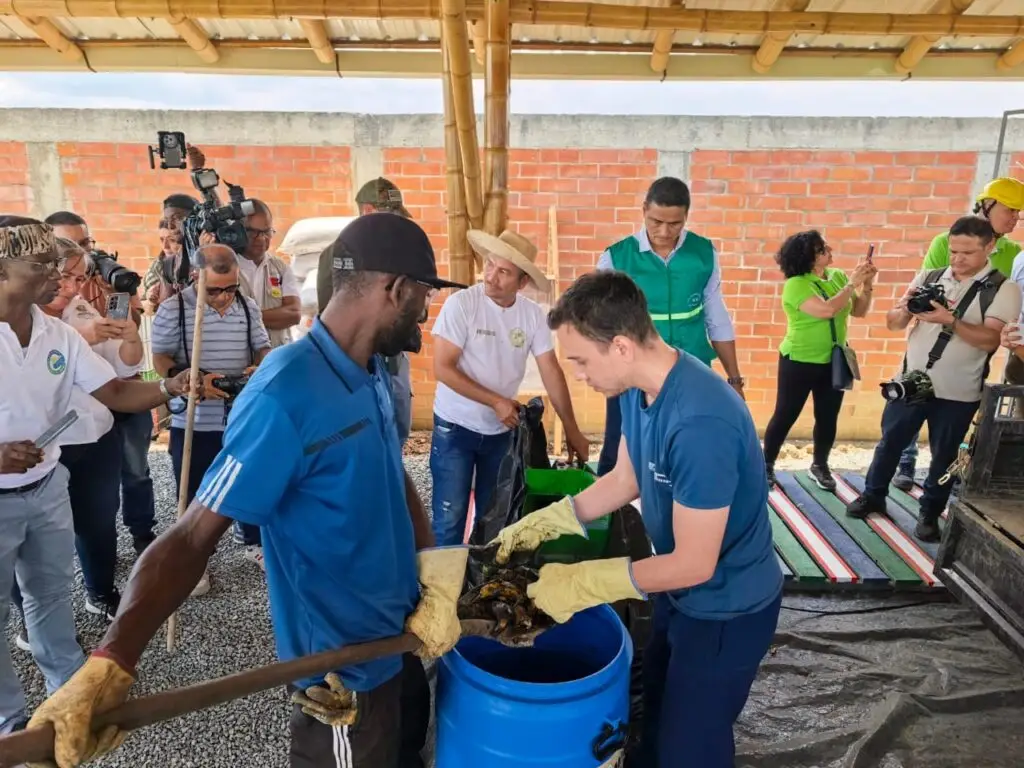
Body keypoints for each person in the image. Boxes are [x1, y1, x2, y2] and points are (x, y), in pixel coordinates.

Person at [26, 213, 469, 768]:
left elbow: (391, 470)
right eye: (422, 297)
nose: (424, 314)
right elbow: (190, 538)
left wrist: (433, 570)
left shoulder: (371, 368)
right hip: (340, 675)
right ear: (396, 288)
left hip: (402, 640)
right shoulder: (285, 393)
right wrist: (111, 663)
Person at [490, 270, 782, 768]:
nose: (578, 374)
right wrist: (550, 521)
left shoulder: (700, 423)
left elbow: (695, 563)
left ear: (621, 347)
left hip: (726, 608)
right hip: (678, 594)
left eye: (581, 360)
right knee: (653, 719)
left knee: (692, 749)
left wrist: (586, 582)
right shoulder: (633, 388)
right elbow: (626, 478)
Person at [0, 216, 191, 735]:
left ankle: (67, 698)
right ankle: (10, 724)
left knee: (50, 596)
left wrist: (173, 385)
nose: (58, 278)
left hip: (46, 489)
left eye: (57, 267)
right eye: (41, 266)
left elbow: (118, 392)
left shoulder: (56, 332)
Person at [847, 216, 1022, 541]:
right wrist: (907, 309)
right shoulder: (931, 275)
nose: (957, 259)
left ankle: (929, 513)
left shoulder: (1003, 287)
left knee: (943, 456)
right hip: (912, 381)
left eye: (967, 253)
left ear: (990, 247)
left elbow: (989, 341)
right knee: (890, 444)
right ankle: (873, 495)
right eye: (953, 251)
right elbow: (893, 324)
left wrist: (949, 319)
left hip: (959, 390)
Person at [429, 228, 590, 546]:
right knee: (449, 518)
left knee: (496, 519)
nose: (491, 276)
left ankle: (479, 589)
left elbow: (551, 371)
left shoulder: (531, 316)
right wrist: (496, 401)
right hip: (454, 427)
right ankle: (440, 592)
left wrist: (572, 428)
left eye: (503, 272)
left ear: (522, 282)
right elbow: (442, 368)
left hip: (501, 434)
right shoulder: (461, 305)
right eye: (490, 265)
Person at [595, 177, 743, 476]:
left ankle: (684, 513)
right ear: (643, 210)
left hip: (691, 370)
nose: (664, 231)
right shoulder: (616, 257)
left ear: (686, 216)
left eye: (675, 223)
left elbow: (717, 317)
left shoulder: (704, 254)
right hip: (632, 373)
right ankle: (610, 518)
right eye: (656, 221)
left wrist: (735, 380)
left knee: (690, 447)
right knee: (621, 446)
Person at [150, 245, 272, 586]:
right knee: (194, 489)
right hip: (194, 418)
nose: (223, 297)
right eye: (214, 289)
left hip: (240, 415)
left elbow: (263, 347)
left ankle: (253, 540)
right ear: (195, 278)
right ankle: (196, 558)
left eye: (231, 287)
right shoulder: (173, 310)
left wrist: (259, 366)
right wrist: (188, 376)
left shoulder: (247, 307)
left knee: (249, 479)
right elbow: (159, 357)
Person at [893, 176, 1024, 489]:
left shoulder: (1014, 253)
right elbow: (927, 291)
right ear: (988, 205)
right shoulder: (945, 242)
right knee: (911, 399)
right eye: (1011, 210)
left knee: (952, 428)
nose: (1015, 218)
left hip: (976, 349)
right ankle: (905, 464)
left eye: (1019, 213)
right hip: (930, 343)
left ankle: (942, 483)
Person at [46, 210, 159, 553]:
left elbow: (122, 343)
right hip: (63, 430)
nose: (85, 254)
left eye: (86, 243)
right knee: (61, 516)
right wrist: (85, 336)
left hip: (115, 403)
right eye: (71, 245)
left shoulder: (104, 278)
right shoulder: (37, 306)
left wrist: (119, 295)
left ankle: (140, 536)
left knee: (132, 475)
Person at [761, 231, 876, 490]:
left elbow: (858, 310)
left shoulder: (837, 277)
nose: (829, 250)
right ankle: (766, 465)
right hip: (799, 359)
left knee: (827, 416)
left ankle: (820, 465)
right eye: (822, 249)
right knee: (785, 414)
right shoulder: (797, 284)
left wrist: (866, 285)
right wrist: (852, 285)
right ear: (809, 257)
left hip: (833, 359)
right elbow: (826, 310)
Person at [315, 177, 416, 446]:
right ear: (369, 211)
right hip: (356, 361)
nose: (396, 221)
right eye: (390, 213)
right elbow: (331, 312)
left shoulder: (405, 253)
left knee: (398, 430)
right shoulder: (338, 254)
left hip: (393, 356)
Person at [238, 200, 302, 348]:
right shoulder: (226, 266)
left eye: (266, 232)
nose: (261, 238)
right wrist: (274, 316)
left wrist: (245, 318)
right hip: (239, 360)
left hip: (275, 355)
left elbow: (294, 314)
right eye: (252, 232)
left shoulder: (280, 268)